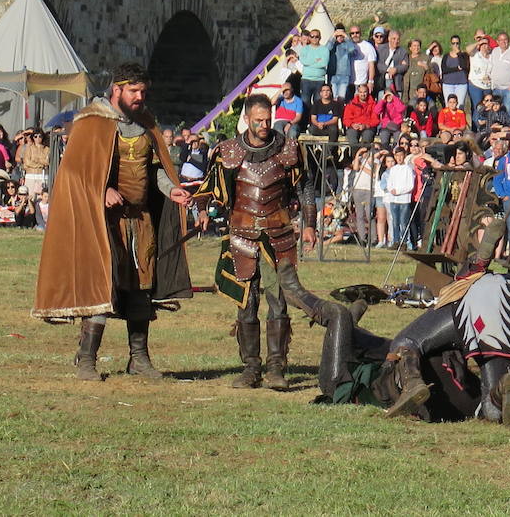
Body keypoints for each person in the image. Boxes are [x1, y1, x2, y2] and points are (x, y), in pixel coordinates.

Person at [32, 62, 193, 381]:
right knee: (101, 284)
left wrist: (171, 189)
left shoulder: (146, 122)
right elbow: (75, 173)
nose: (139, 97)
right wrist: (102, 189)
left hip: (141, 219)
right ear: (117, 89)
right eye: (134, 91)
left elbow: (154, 168)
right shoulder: (92, 122)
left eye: (143, 91)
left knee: (140, 289)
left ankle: (139, 358)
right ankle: (87, 358)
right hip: (103, 221)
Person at [193, 93, 317, 390]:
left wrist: (310, 225)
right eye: (258, 120)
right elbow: (208, 187)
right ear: (247, 119)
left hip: (279, 235)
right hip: (242, 234)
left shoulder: (289, 149)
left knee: (278, 300)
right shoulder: (229, 150)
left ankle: (276, 368)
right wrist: (201, 211)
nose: (264, 125)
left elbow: (306, 188)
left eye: (267, 119)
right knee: (246, 302)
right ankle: (250, 368)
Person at [385, 146, 415, 249]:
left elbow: (410, 185)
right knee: (395, 221)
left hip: (404, 200)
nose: (399, 158)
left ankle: (404, 242)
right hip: (393, 200)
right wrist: (391, 190)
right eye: (397, 156)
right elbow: (389, 183)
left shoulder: (408, 169)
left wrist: (398, 191)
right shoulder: (393, 169)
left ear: (404, 156)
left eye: (401, 155)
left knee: (403, 222)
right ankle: (396, 241)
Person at [489, 32, 510, 117]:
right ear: (497, 41)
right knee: (495, 112)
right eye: (500, 40)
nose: (503, 42)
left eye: (505, 40)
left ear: (509, 40)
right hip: (496, 88)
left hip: (508, 89)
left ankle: (507, 129)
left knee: (508, 111)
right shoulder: (494, 51)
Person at [298, 29, 330, 107]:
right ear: (309, 38)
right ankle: (306, 119)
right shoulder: (304, 49)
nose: (314, 38)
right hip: (306, 79)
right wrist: (316, 60)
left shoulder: (325, 49)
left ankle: (315, 119)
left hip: (319, 80)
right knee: (305, 102)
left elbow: (324, 63)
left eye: (316, 36)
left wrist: (309, 62)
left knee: (318, 102)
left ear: (320, 38)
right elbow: (303, 61)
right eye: (312, 36)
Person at [375, 30, 409, 96]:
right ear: (388, 38)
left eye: (398, 39)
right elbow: (378, 64)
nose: (396, 41)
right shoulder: (380, 49)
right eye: (394, 39)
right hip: (382, 82)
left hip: (396, 83)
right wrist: (388, 69)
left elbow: (405, 66)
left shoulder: (402, 52)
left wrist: (396, 69)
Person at [440, 35, 469, 109]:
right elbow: (444, 69)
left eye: (457, 43)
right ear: (451, 44)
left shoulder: (464, 55)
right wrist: (456, 68)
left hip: (461, 84)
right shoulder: (446, 56)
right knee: (448, 105)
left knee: (460, 105)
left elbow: (463, 66)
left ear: (460, 44)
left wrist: (459, 53)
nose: (455, 45)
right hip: (448, 84)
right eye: (453, 43)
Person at [327, 25, 355, 102]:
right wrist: (333, 36)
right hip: (333, 74)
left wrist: (346, 36)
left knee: (342, 98)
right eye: (338, 35)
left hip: (344, 75)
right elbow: (326, 50)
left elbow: (352, 50)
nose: (340, 37)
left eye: (341, 35)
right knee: (334, 98)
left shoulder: (347, 44)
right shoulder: (332, 44)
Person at [349, 25, 377, 94]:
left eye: (357, 33)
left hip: (362, 84)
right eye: (352, 33)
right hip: (348, 83)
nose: (355, 35)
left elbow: (371, 65)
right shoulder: (346, 46)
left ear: (360, 33)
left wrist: (371, 81)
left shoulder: (368, 46)